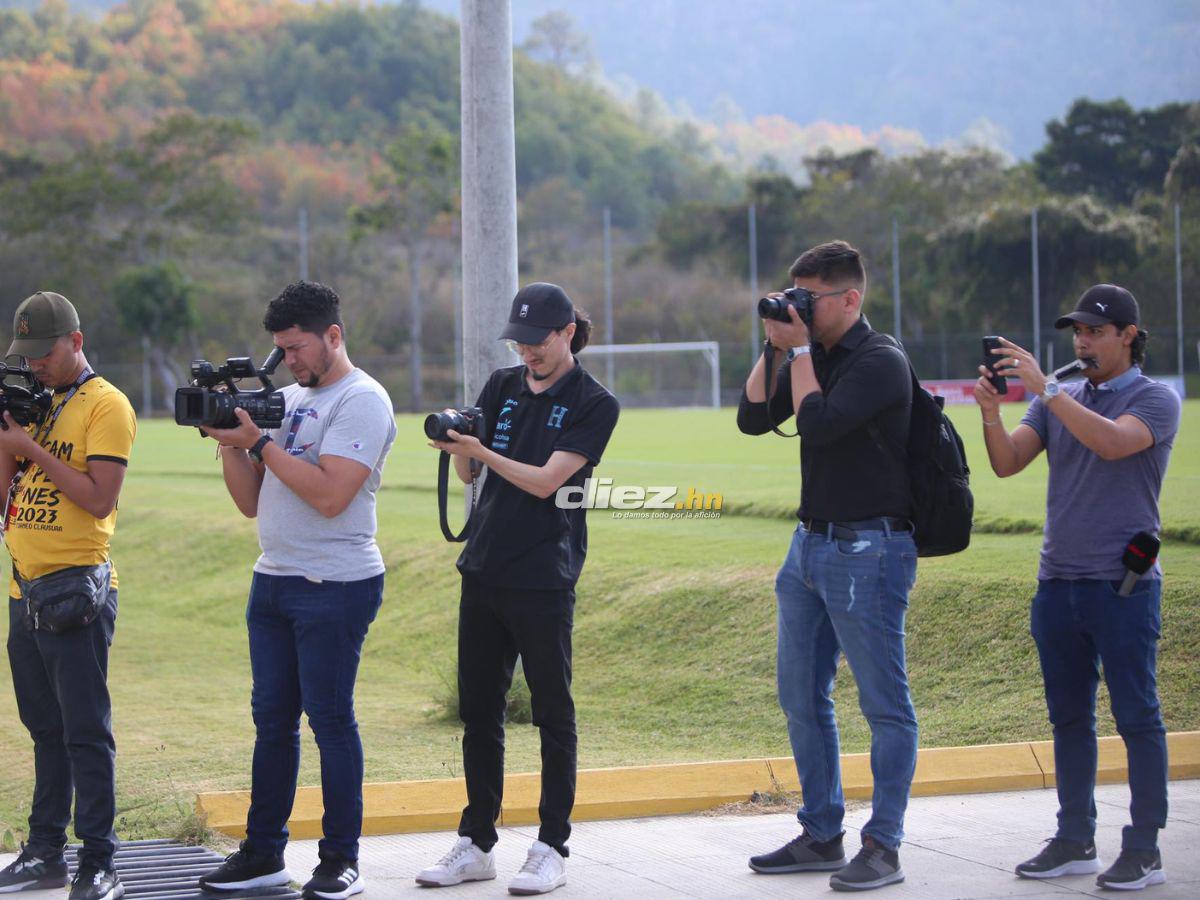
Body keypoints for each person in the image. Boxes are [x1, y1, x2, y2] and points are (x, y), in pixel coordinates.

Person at [415, 283, 618, 896]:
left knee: (553, 715)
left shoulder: (594, 401)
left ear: (565, 334)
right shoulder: (501, 386)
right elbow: (472, 471)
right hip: (483, 570)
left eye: (536, 342)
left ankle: (551, 845)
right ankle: (477, 842)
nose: (527, 353)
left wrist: (480, 449)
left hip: (544, 577)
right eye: (519, 342)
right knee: (481, 714)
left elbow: (545, 481)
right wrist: (459, 448)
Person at [974, 284, 1180, 892]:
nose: (1083, 343)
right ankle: (1074, 837)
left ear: (1128, 337)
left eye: (1095, 331)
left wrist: (1048, 389)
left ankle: (1144, 849)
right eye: (1077, 333)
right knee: (1068, 718)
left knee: (1138, 717)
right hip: (1057, 581)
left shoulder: (1155, 399)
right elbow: (1008, 461)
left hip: (1121, 587)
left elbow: (1112, 442)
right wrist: (992, 411)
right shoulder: (1059, 398)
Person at [196, 281, 396, 900]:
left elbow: (333, 497)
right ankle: (263, 855)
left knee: (330, 721)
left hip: (336, 583)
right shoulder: (287, 398)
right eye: (280, 350)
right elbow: (250, 503)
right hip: (275, 578)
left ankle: (340, 861)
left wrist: (257, 442)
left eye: (299, 347)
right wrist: (230, 442)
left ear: (333, 335)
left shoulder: (363, 400)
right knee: (272, 723)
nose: (289, 361)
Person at [737, 241, 917, 892]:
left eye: (810, 299)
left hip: (870, 548)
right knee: (800, 697)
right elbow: (754, 419)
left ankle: (883, 847)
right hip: (810, 547)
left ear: (850, 298)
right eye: (794, 295)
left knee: (884, 705)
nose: (798, 306)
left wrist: (803, 350)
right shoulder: (817, 354)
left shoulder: (879, 360)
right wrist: (778, 346)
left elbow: (817, 423)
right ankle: (821, 834)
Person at [0, 291, 136, 900]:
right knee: (44, 731)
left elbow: (99, 497)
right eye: (24, 355)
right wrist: (9, 442)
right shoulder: (32, 405)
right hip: (23, 590)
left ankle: (100, 861)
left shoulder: (105, 405)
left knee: (85, 732)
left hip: (75, 590)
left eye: (44, 353)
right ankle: (44, 852)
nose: (34, 365)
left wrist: (28, 448)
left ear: (75, 342)